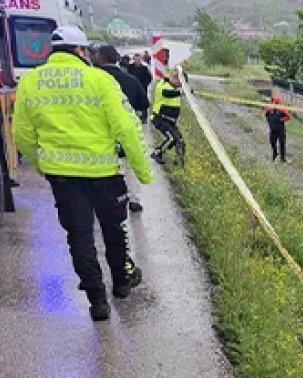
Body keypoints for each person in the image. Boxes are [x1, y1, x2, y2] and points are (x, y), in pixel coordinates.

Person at [13, 26, 153, 321]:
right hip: (103, 173)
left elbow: (22, 135)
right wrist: (142, 172)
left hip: (62, 177)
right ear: (81, 51)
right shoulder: (98, 79)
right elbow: (124, 128)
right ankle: (121, 284)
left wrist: (42, 164)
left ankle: (97, 301)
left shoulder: (30, 82)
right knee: (114, 229)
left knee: (79, 235)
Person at [95, 44, 150, 213]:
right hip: (127, 131)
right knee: (130, 166)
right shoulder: (130, 80)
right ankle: (133, 199)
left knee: (108, 169)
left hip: (100, 134)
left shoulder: (93, 80)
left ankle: (105, 199)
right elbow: (144, 103)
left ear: (102, 58)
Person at [150, 73, 183, 164]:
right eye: (180, 81)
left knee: (179, 138)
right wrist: (180, 92)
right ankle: (156, 153)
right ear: (173, 78)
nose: (181, 84)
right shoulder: (163, 84)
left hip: (170, 121)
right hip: (160, 118)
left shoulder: (174, 87)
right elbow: (167, 93)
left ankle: (178, 161)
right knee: (172, 138)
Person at [264, 95, 291, 162]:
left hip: (281, 130)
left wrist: (282, 120)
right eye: (273, 102)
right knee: (272, 142)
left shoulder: (282, 109)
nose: (274, 103)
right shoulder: (268, 108)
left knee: (282, 143)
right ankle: (275, 153)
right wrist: (269, 121)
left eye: (276, 102)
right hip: (273, 130)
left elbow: (288, 117)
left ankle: (282, 158)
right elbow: (266, 115)